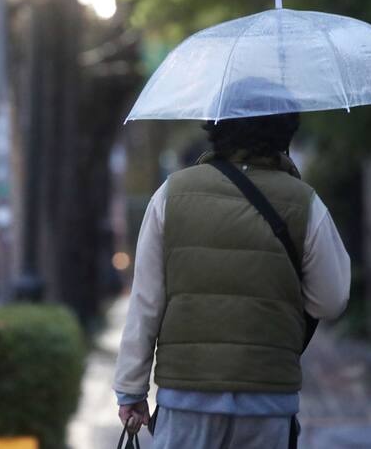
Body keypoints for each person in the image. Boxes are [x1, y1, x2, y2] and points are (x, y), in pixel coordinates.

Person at [113, 112, 351, 449]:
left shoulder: (171, 195)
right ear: (284, 131)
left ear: (216, 128)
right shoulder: (304, 202)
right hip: (267, 398)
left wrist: (131, 388)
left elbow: (146, 303)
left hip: (186, 396)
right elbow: (332, 299)